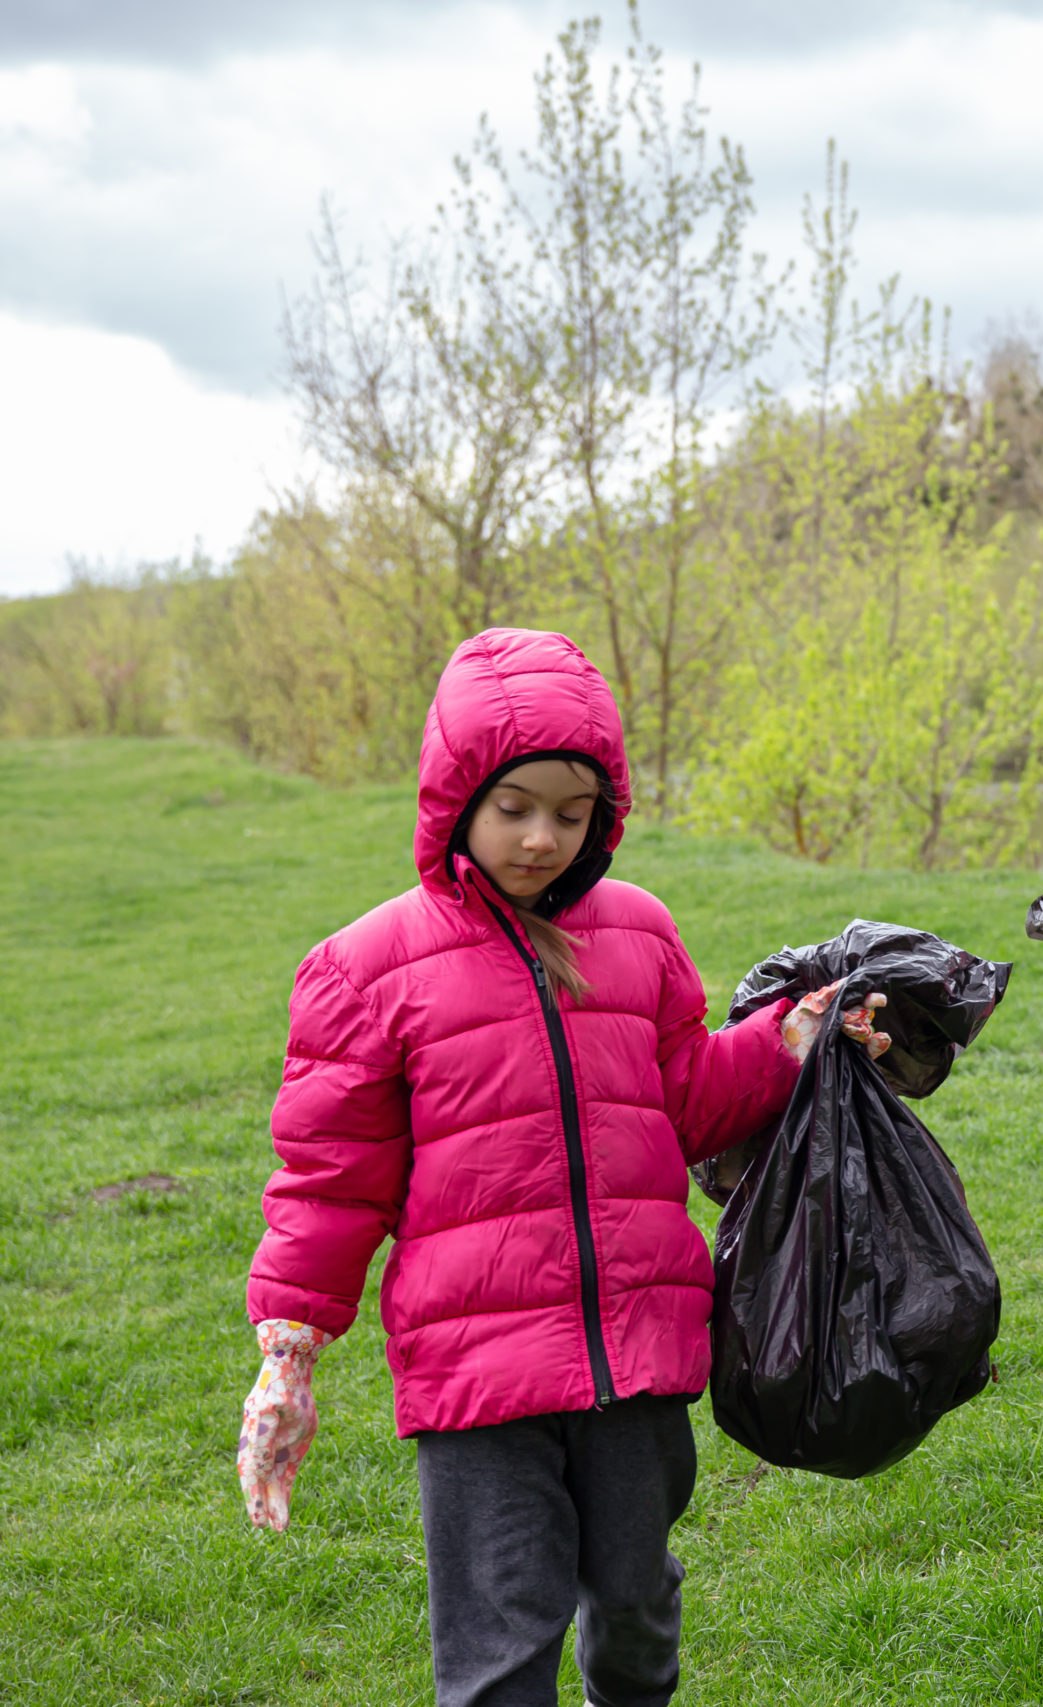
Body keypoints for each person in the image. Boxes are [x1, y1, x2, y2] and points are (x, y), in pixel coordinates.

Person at [233, 628, 890, 1706]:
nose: (542, 837)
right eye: (515, 807)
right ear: (456, 799)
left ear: (605, 814)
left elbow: (688, 1100)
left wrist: (787, 1042)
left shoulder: (638, 933)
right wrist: (290, 1349)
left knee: (634, 1606)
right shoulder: (366, 970)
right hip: (477, 1374)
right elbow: (328, 1178)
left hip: (639, 1350)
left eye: (571, 812)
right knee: (501, 1640)